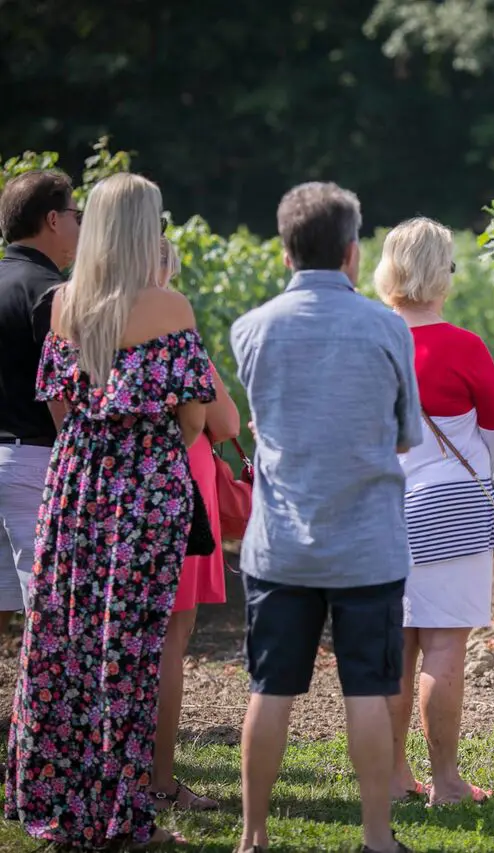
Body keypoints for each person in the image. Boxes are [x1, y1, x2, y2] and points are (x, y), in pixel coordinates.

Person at [5, 173, 214, 849]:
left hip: (73, 482)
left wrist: (96, 450)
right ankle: (122, 814)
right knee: (130, 651)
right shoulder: (169, 307)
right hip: (144, 488)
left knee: (64, 641)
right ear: (143, 229)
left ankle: (61, 804)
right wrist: (147, 459)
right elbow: (191, 415)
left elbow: (60, 408)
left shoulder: (65, 303)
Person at [230, 182, 424, 853]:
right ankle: (376, 836)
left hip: (280, 542)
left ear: (285, 252)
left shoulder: (249, 328)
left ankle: (252, 834)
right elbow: (406, 434)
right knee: (368, 689)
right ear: (351, 251)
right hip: (367, 543)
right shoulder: (387, 327)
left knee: (270, 687)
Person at [372, 217, 494, 806]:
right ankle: (446, 781)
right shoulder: (464, 346)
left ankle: (396, 775)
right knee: (445, 645)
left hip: (381, 510)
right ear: (439, 274)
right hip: (451, 506)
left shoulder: (371, 340)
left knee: (396, 645)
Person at [149, 238, 242, 812]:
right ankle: (158, 779)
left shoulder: (88, 321)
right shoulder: (174, 336)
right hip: (179, 495)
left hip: (113, 494)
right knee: (169, 643)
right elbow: (226, 420)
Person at [0, 169, 80, 635]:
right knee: (49, 613)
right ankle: (42, 711)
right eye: (76, 214)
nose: (79, 225)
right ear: (53, 219)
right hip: (36, 463)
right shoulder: (51, 294)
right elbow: (67, 391)